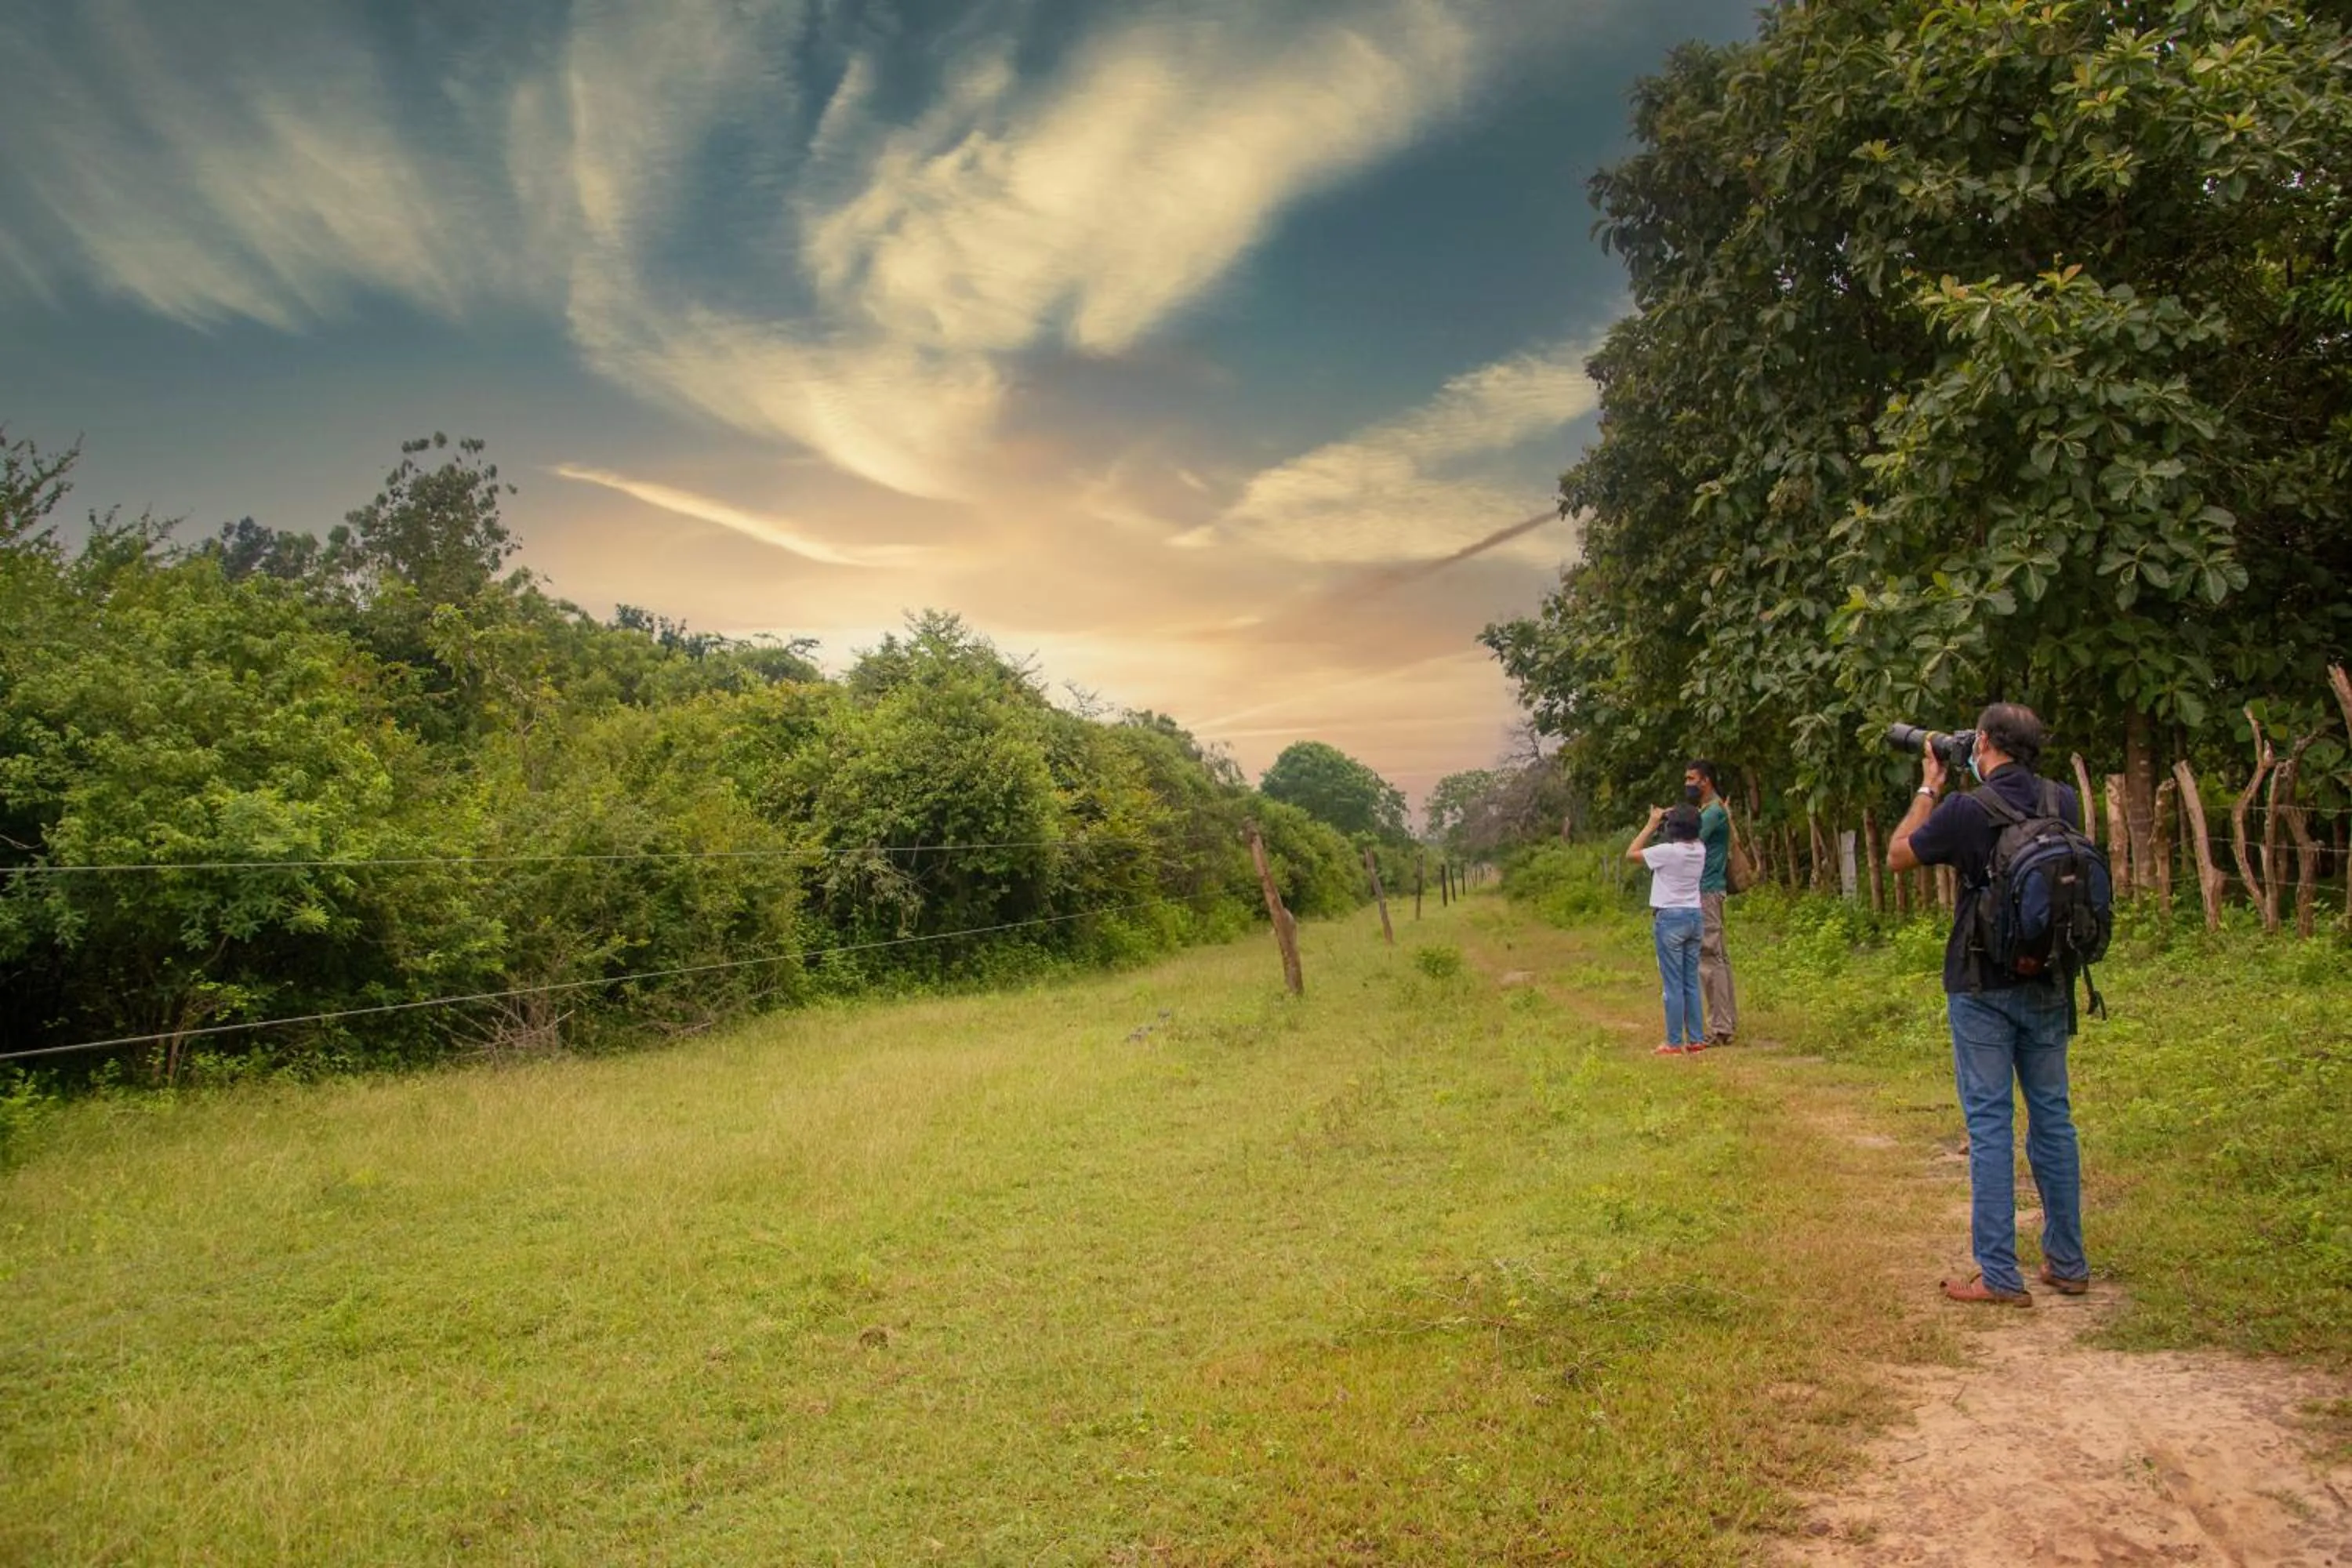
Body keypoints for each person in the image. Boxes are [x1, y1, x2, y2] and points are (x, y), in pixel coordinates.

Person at [1887, 703, 2088, 1307]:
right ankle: (2069, 1262)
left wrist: (1929, 785)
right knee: (2053, 1117)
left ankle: (2000, 1275)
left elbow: (1899, 854)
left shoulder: (1966, 810)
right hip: (2050, 978)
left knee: (1990, 1126)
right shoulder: (2063, 802)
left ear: (1982, 743)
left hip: (1982, 984)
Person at [1627, 803, 1707, 1057]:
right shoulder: (1700, 849)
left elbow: (1632, 853)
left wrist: (1652, 823)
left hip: (1670, 918)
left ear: (1672, 828)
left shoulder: (1668, 852)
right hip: (1694, 915)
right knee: (1690, 982)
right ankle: (1696, 1039)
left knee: (1672, 984)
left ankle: (1673, 1042)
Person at [1686, 760, 1738, 1047]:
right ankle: (1726, 1021)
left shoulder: (1713, 812)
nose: (1688, 784)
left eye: (1692, 778)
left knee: (1709, 956)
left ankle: (1720, 1027)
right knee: (1718, 956)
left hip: (1706, 890)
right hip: (1708, 889)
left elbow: (1689, 840)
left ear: (1706, 781)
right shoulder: (1710, 810)